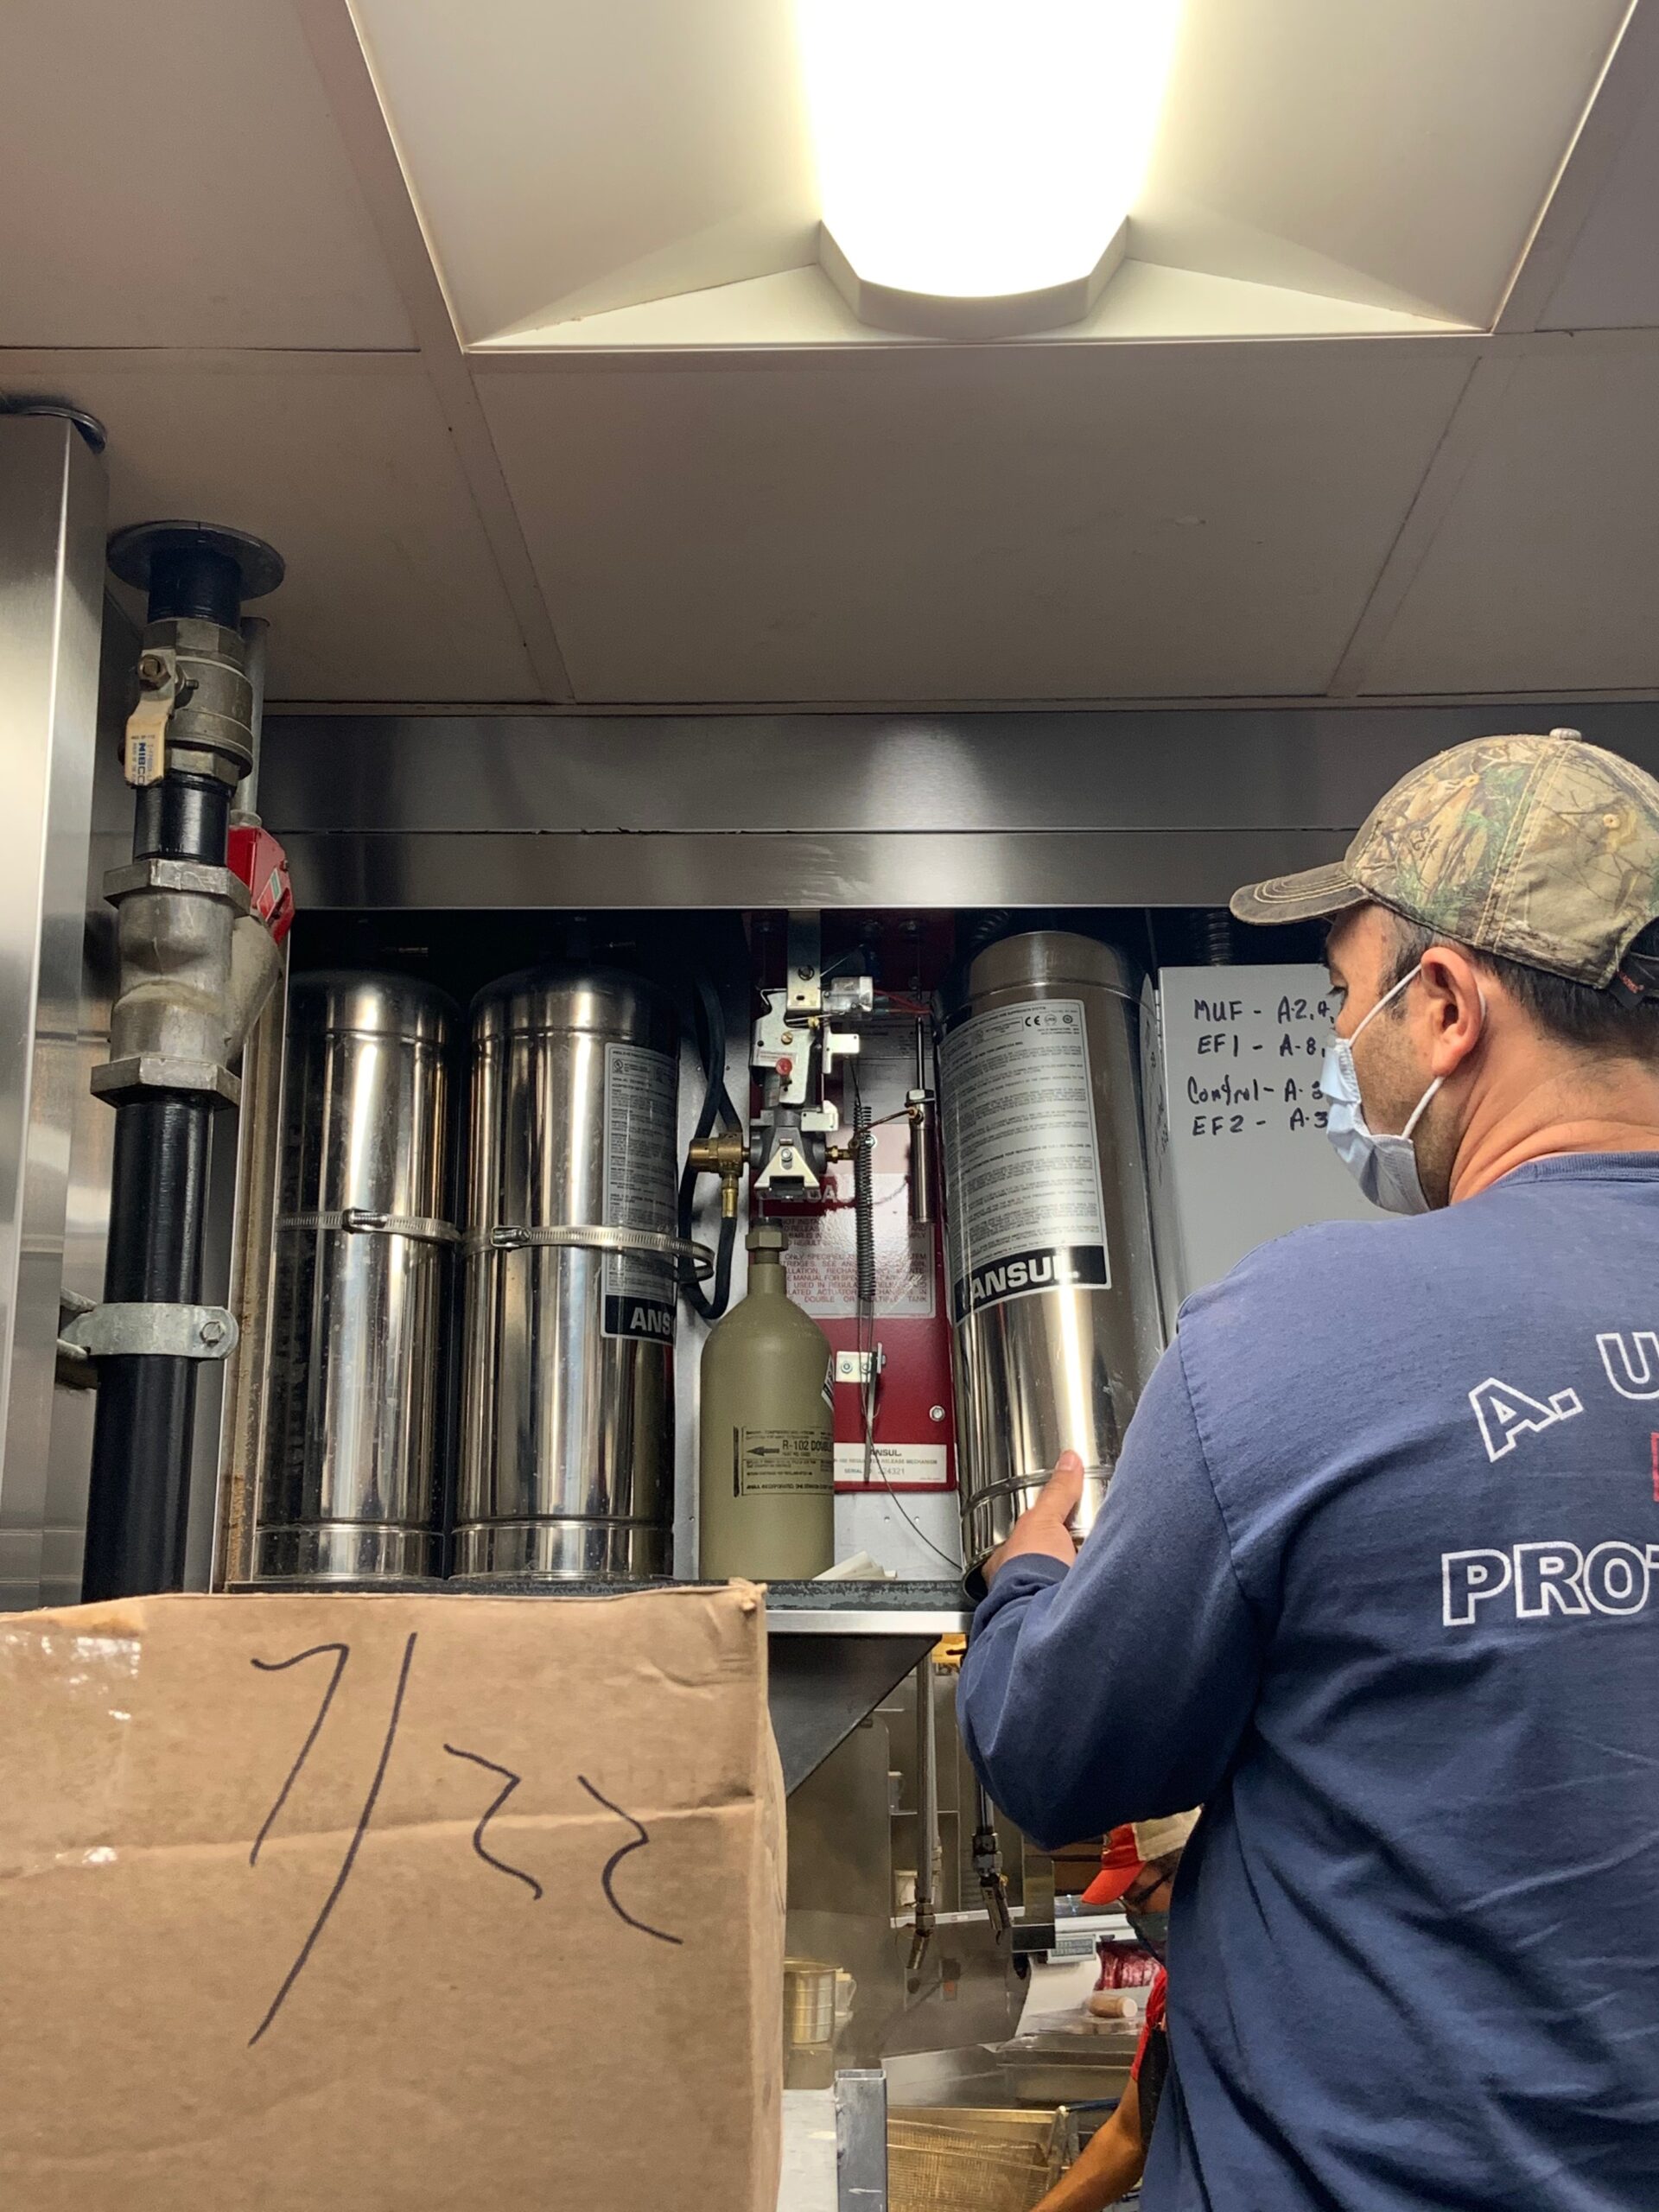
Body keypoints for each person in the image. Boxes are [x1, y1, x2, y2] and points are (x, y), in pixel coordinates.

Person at [958, 733, 1659, 2211]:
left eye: (1349, 1001)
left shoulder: (1306, 1330)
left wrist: (1028, 1580)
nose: (1345, 1048)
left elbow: (1064, 1760)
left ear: (1450, 1006)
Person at [1031, 1815, 1197, 2212]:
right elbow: (1129, 2136)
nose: (1133, 1918)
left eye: (1138, 1898)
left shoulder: (1267, 1991)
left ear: (1196, 1871)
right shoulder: (1168, 1994)